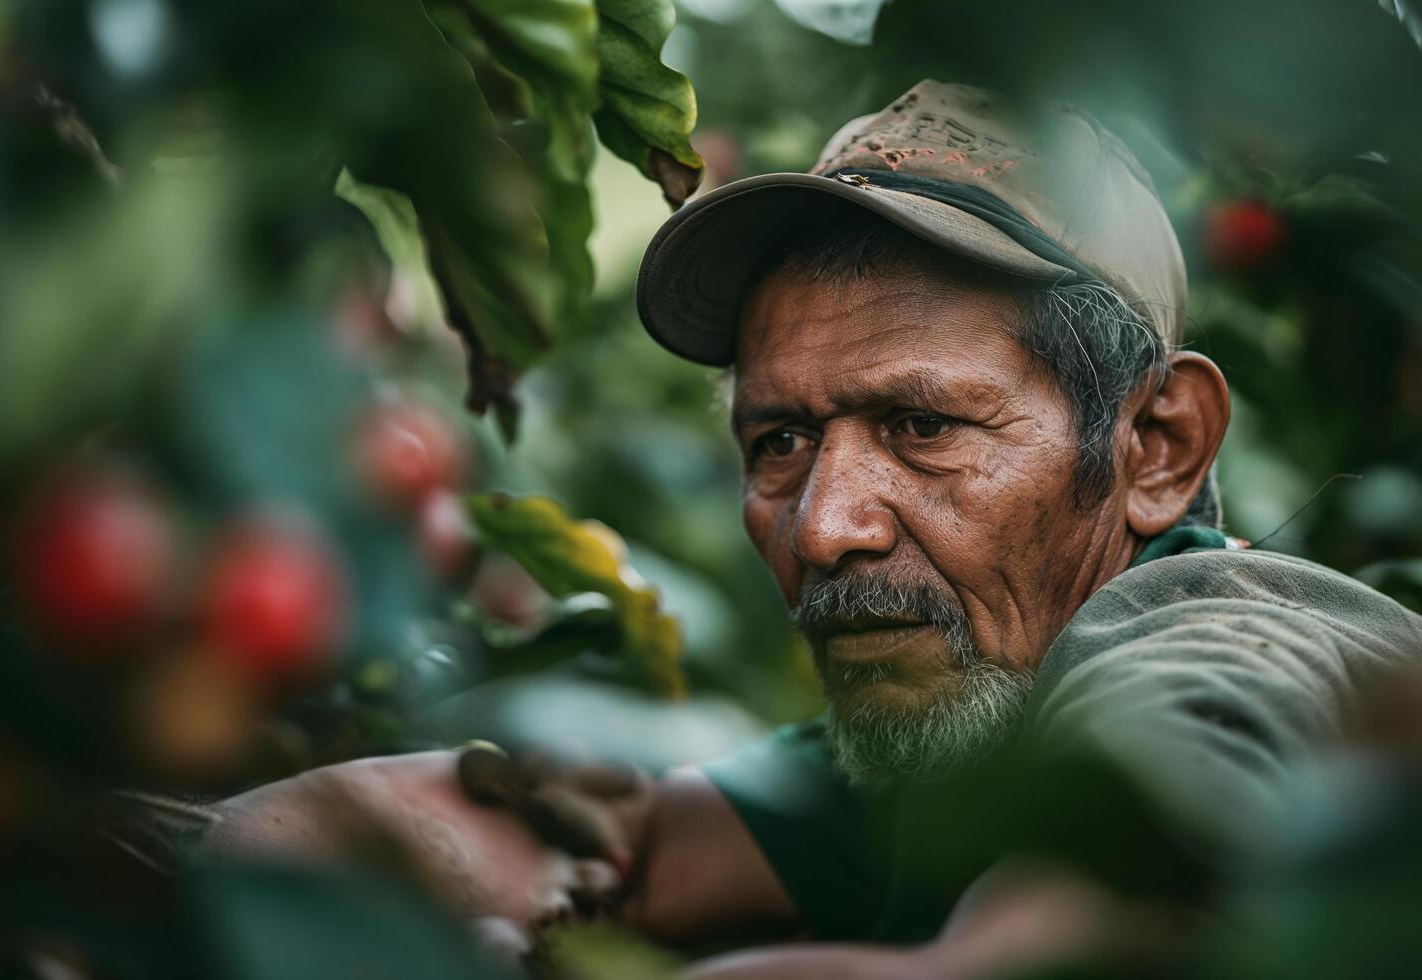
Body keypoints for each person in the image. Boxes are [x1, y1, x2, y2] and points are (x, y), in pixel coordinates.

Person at [204, 80, 1422, 975]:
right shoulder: (961, 716)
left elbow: (1091, 932)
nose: (825, 525)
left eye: (923, 425)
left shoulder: (1220, 647)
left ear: (1156, 449)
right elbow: (527, 830)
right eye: (779, 441)